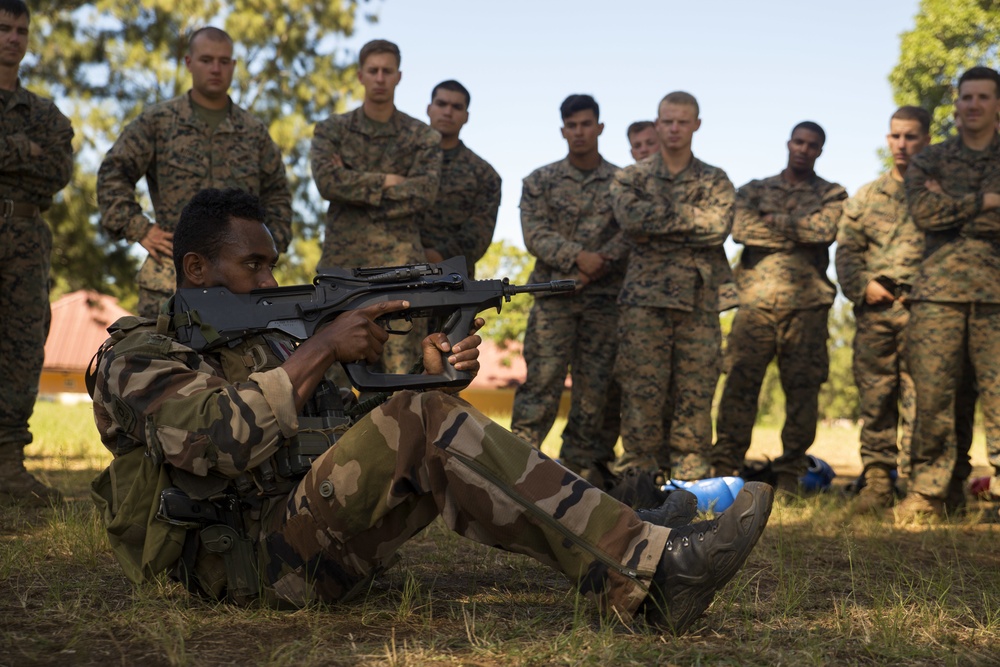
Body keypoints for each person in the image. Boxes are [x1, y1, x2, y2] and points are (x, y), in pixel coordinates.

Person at [90, 187, 774, 636]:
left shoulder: (265, 345)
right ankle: (653, 567)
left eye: (275, 264)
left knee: (426, 410)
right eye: (255, 266)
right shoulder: (137, 355)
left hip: (300, 545)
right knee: (421, 414)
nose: (272, 281)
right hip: (236, 570)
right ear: (198, 270)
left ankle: (623, 544)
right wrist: (325, 347)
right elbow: (214, 441)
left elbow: (357, 441)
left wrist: (437, 376)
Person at [97, 26, 292, 319]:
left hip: (241, 287)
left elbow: (278, 193)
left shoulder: (253, 132)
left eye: (224, 61)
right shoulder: (159, 121)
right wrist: (139, 228)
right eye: (206, 60)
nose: (216, 68)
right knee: (166, 361)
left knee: (243, 364)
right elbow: (113, 171)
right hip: (170, 283)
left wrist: (262, 250)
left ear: (234, 66)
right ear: (188, 62)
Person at [712, 122, 848, 493]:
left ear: (820, 150)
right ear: (789, 143)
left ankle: (790, 472)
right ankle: (726, 468)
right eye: (799, 142)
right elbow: (741, 229)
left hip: (807, 309)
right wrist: (798, 229)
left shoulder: (833, 193)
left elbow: (825, 231)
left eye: (812, 145)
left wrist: (776, 222)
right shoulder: (754, 189)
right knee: (739, 385)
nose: (804, 149)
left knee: (802, 391)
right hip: (755, 306)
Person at [610, 92, 735, 481]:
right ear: (657, 123)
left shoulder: (715, 178)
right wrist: (691, 221)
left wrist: (657, 224)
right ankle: (639, 479)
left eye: (683, 121)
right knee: (641, 392)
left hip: (699, 301)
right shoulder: (631, 178)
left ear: (696, 124)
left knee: (695, 394)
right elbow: (631, 220)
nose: (675, 128)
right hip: (644, 302)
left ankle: (691, 479)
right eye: (668, 121)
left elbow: (718, 229)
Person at [899, 66, 1000, 520]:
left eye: (982, 97)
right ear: (956, 106)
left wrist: (952, 206)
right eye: (966, 97)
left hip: (996, 294)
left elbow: (940, 212)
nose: (973, 105)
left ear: (996, 105)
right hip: (937, 295)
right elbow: (923, 212)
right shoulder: (930, 160)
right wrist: (985, 201)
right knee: (935, 398)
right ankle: (929, 494)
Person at [510, 95, 626, 487]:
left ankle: (577, 477)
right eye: (572, 125)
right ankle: (516, 470)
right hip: (554, 300)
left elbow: (630, 233)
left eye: (586, 124)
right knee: (541, 383)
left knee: (594, 391)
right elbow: (535, 234)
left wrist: (598, 264)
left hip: (603, 304)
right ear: (563, 130)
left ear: (600, 128)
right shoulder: (540, 181)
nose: (579, 131)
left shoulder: (623, 182)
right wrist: (578, 257)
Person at [310, 39, 441, 375]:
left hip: (402, 271)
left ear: (399, 76)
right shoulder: (332, 130)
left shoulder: (422, 136)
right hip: (343, 271)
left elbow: (424, 192)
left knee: (403, 375)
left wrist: (353, 183)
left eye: (387, 71)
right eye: (373, 70)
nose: (380, 77)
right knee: (333, 375)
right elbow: (327, 183)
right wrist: (389, 180)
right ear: (360, 76)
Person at [835, 107, 931, 512]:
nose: (902, 145)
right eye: (895, 136)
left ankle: (918, 485)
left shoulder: (937, 192)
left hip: (926, 313)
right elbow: (847, 251)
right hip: (876, 315)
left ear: (926, 139)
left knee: (924, 400)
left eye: (910, 137)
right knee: (875, 401)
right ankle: (877, 481)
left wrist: (926, 290)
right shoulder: (867, 196)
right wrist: (862, 286)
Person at [0, 0, 73, 505]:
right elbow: (38, 160)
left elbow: (57, 172)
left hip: (25, 238)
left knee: (23, 349)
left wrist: (29, 155)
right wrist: (24, 150)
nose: (13, 37)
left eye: (21, 29)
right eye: (3, 28)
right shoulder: (37, 126)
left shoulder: (45, 112)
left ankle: (7, 468)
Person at [416, 80, 501, 278]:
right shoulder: (402, 157)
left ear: (466, 116)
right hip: (392, 271)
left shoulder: (484, 174)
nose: (447, 112)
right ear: (429, 108)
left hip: (452, 278)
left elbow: (478, 233)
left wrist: (438, 256)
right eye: (441, 104)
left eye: (456, 107)